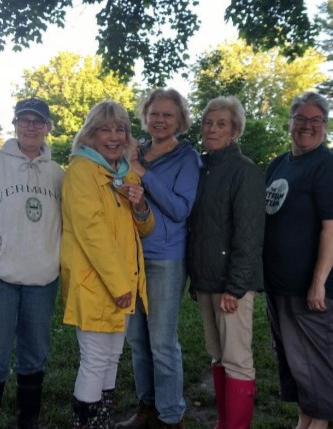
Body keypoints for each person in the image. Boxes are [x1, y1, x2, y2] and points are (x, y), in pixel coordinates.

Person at [0, 98, 65, 429]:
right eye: (24, 120)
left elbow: (72, 221)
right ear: (15, 124)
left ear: (47, 127)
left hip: (43, 276)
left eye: (38, 121)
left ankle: (26, 421)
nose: (31, 126)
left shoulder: (60, 175)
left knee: (35, 352)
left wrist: (53, 255)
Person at [61, 100, 154, 429]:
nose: (114, 136)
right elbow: (93, 234)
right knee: (95, 360)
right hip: (97, 283)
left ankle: (101, 422)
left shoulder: (122, 173)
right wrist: (119, 287)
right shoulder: (81, 173)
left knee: (112, 358)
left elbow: (144, 227)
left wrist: (140, 204)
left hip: (122, 283)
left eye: (120, 129)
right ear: (90, 135)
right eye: (105, 129)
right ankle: (86, 424)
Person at [263, 92, 333, 429]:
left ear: (325, 127)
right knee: (295, 364)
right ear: (290, 122)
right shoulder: (280, 164)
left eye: (316, 121)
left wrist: (318, 284)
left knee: (316, 365)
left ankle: (317, 424)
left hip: (312, 291)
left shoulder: (330, 169)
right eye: (301, 118)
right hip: (280, 286)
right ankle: (305, 422)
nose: (307, 126)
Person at [117, 88, 200, 429]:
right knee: (137, 339)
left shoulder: (188, 158)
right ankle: (147, 406)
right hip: (129, 256)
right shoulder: (133, 151)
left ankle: (171, 416)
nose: (160, 120)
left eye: (168, 114)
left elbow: (181, 209)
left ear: (180, 119)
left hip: (165, 258)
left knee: (162, 342)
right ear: (145, 116)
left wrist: (144, 174)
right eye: (155, 113)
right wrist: (133, 164)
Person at [186, 96, 264, 429]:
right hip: (206, 281)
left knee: (236, 360)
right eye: (208, 122)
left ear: (234, 131)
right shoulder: (203, 169)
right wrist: (197, 278)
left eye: (221, 124)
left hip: (232, 285)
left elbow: (248, 236)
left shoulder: (244, 171)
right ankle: (223, 422)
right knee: (217, 356)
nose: (212, 129)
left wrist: (236, 285)